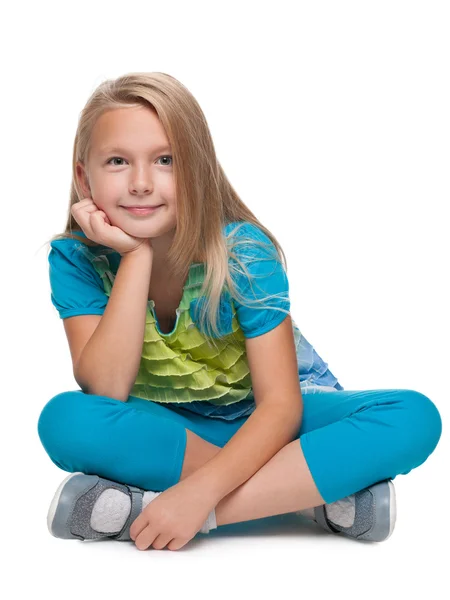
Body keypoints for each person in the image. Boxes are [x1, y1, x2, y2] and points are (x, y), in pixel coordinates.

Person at [37, 72, 442, 551]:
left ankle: (153, 511)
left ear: (197, 169)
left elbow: (282, 406)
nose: (142, 183)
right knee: (65, 420)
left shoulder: (243, 254)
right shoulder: (74, 257)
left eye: (166, 160)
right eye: (118, 161)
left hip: (271, 422)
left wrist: (200, 500)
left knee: (413, 416)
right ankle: (304, 497)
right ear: (85, 176)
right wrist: (135, 257)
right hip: (173, 429)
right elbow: (106, 389)